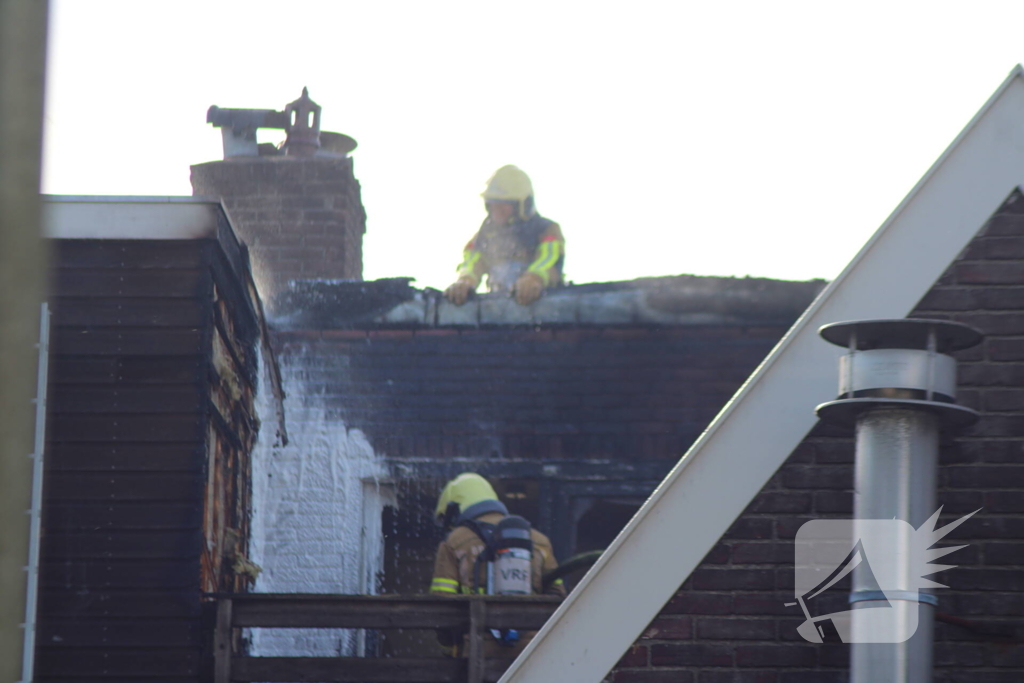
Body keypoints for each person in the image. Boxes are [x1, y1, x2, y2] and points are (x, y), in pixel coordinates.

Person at [429, 472, 565, 657]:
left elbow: (441, 605)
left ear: (455, 509)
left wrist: (448, 647)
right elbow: (558, 596)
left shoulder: (454, 541)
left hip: (478, 652)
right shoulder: (539, 540)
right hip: (532, 651)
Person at [444, 165, 565, 306]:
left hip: (543, 309)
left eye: (504, 203)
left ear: (524, 204)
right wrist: (464, 281)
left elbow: (548, 260)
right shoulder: (484, 236)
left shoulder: (547, 230)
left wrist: (533, 278)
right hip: (500, 310)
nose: (497, 208)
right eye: (493, 202)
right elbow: (471, 262)